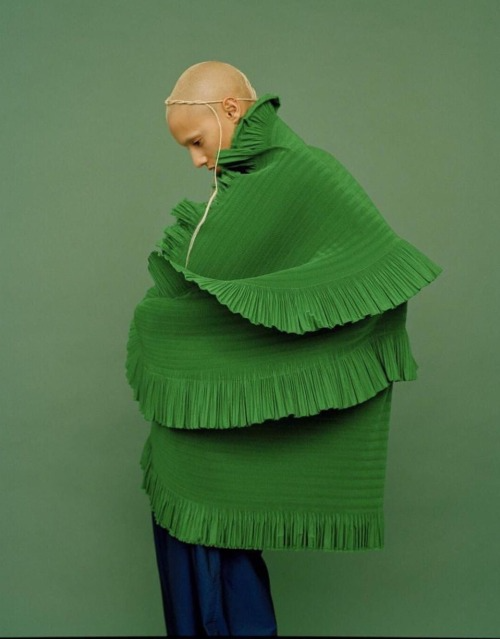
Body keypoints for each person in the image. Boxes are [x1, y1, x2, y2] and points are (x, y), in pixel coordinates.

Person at [126, 61, 443, 637]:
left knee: (224, 576)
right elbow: (214, 286)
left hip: (223, 446)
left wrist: (298, 361)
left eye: (196, 142)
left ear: (230, 110)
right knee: (192, 569)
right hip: (193, 430)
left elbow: (373, 265)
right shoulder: (239, 186)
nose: (196, 160)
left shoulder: (303, 172)